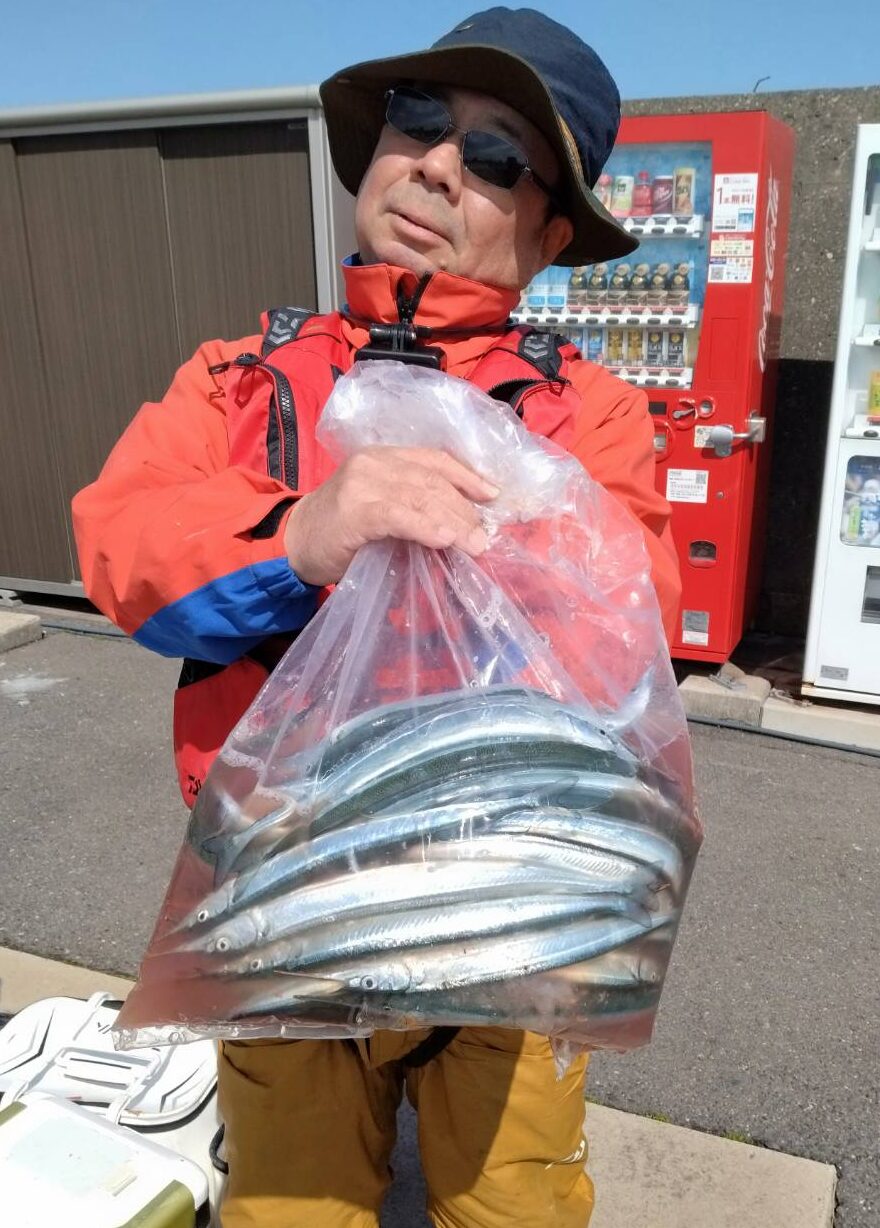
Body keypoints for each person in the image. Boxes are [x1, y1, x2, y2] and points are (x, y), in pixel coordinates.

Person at [73, 8, 681, 1226]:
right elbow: (119, 550)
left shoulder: (592, 413)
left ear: (550, 235)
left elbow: (635, 621)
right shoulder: (237, 374)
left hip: (511, 900)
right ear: (375, 148)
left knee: (514, 1205)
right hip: (279, 890)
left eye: (498, 157)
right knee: (289, 1205)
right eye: (419, 119)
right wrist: (299, 534)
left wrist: (502, 524)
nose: (440, 164)